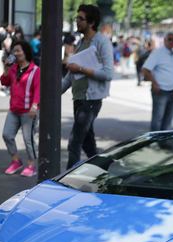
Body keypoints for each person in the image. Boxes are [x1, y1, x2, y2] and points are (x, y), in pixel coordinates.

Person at [61, 4, 113, 169]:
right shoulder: (82, 42)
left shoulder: (101, 42)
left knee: (75, 142)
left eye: (80, 18)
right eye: (77, 17)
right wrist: (52, 93)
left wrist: (81, 69)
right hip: (79, 98)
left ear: (91, 23)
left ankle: (67, 180)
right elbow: (71, 76)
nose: (77, 21)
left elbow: (108, 73)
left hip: (90, 100)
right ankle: (105, 171)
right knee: (88, 145)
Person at [0, 40, 40, 177]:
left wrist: (35, 105)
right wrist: (6, 68)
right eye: (14, 51)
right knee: (7, 135)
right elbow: (4, 82)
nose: (16, 53)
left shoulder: (35, 70)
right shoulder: (13, 69)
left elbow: (38, 89)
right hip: (14, 109)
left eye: (18, 50)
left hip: (28, 111)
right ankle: (16, 161)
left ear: (25, 52)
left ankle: (31, 165)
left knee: (28, 139)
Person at [142, 33, 173, 131]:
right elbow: (145, 69)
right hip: (161, 90)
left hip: (171, 90)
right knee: (158, 118)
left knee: (168, 118)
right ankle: (154, 141)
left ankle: (163, 141)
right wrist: (154, 83)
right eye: (170, 39)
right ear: (165, 40)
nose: (172, 42)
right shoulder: (158, 53)